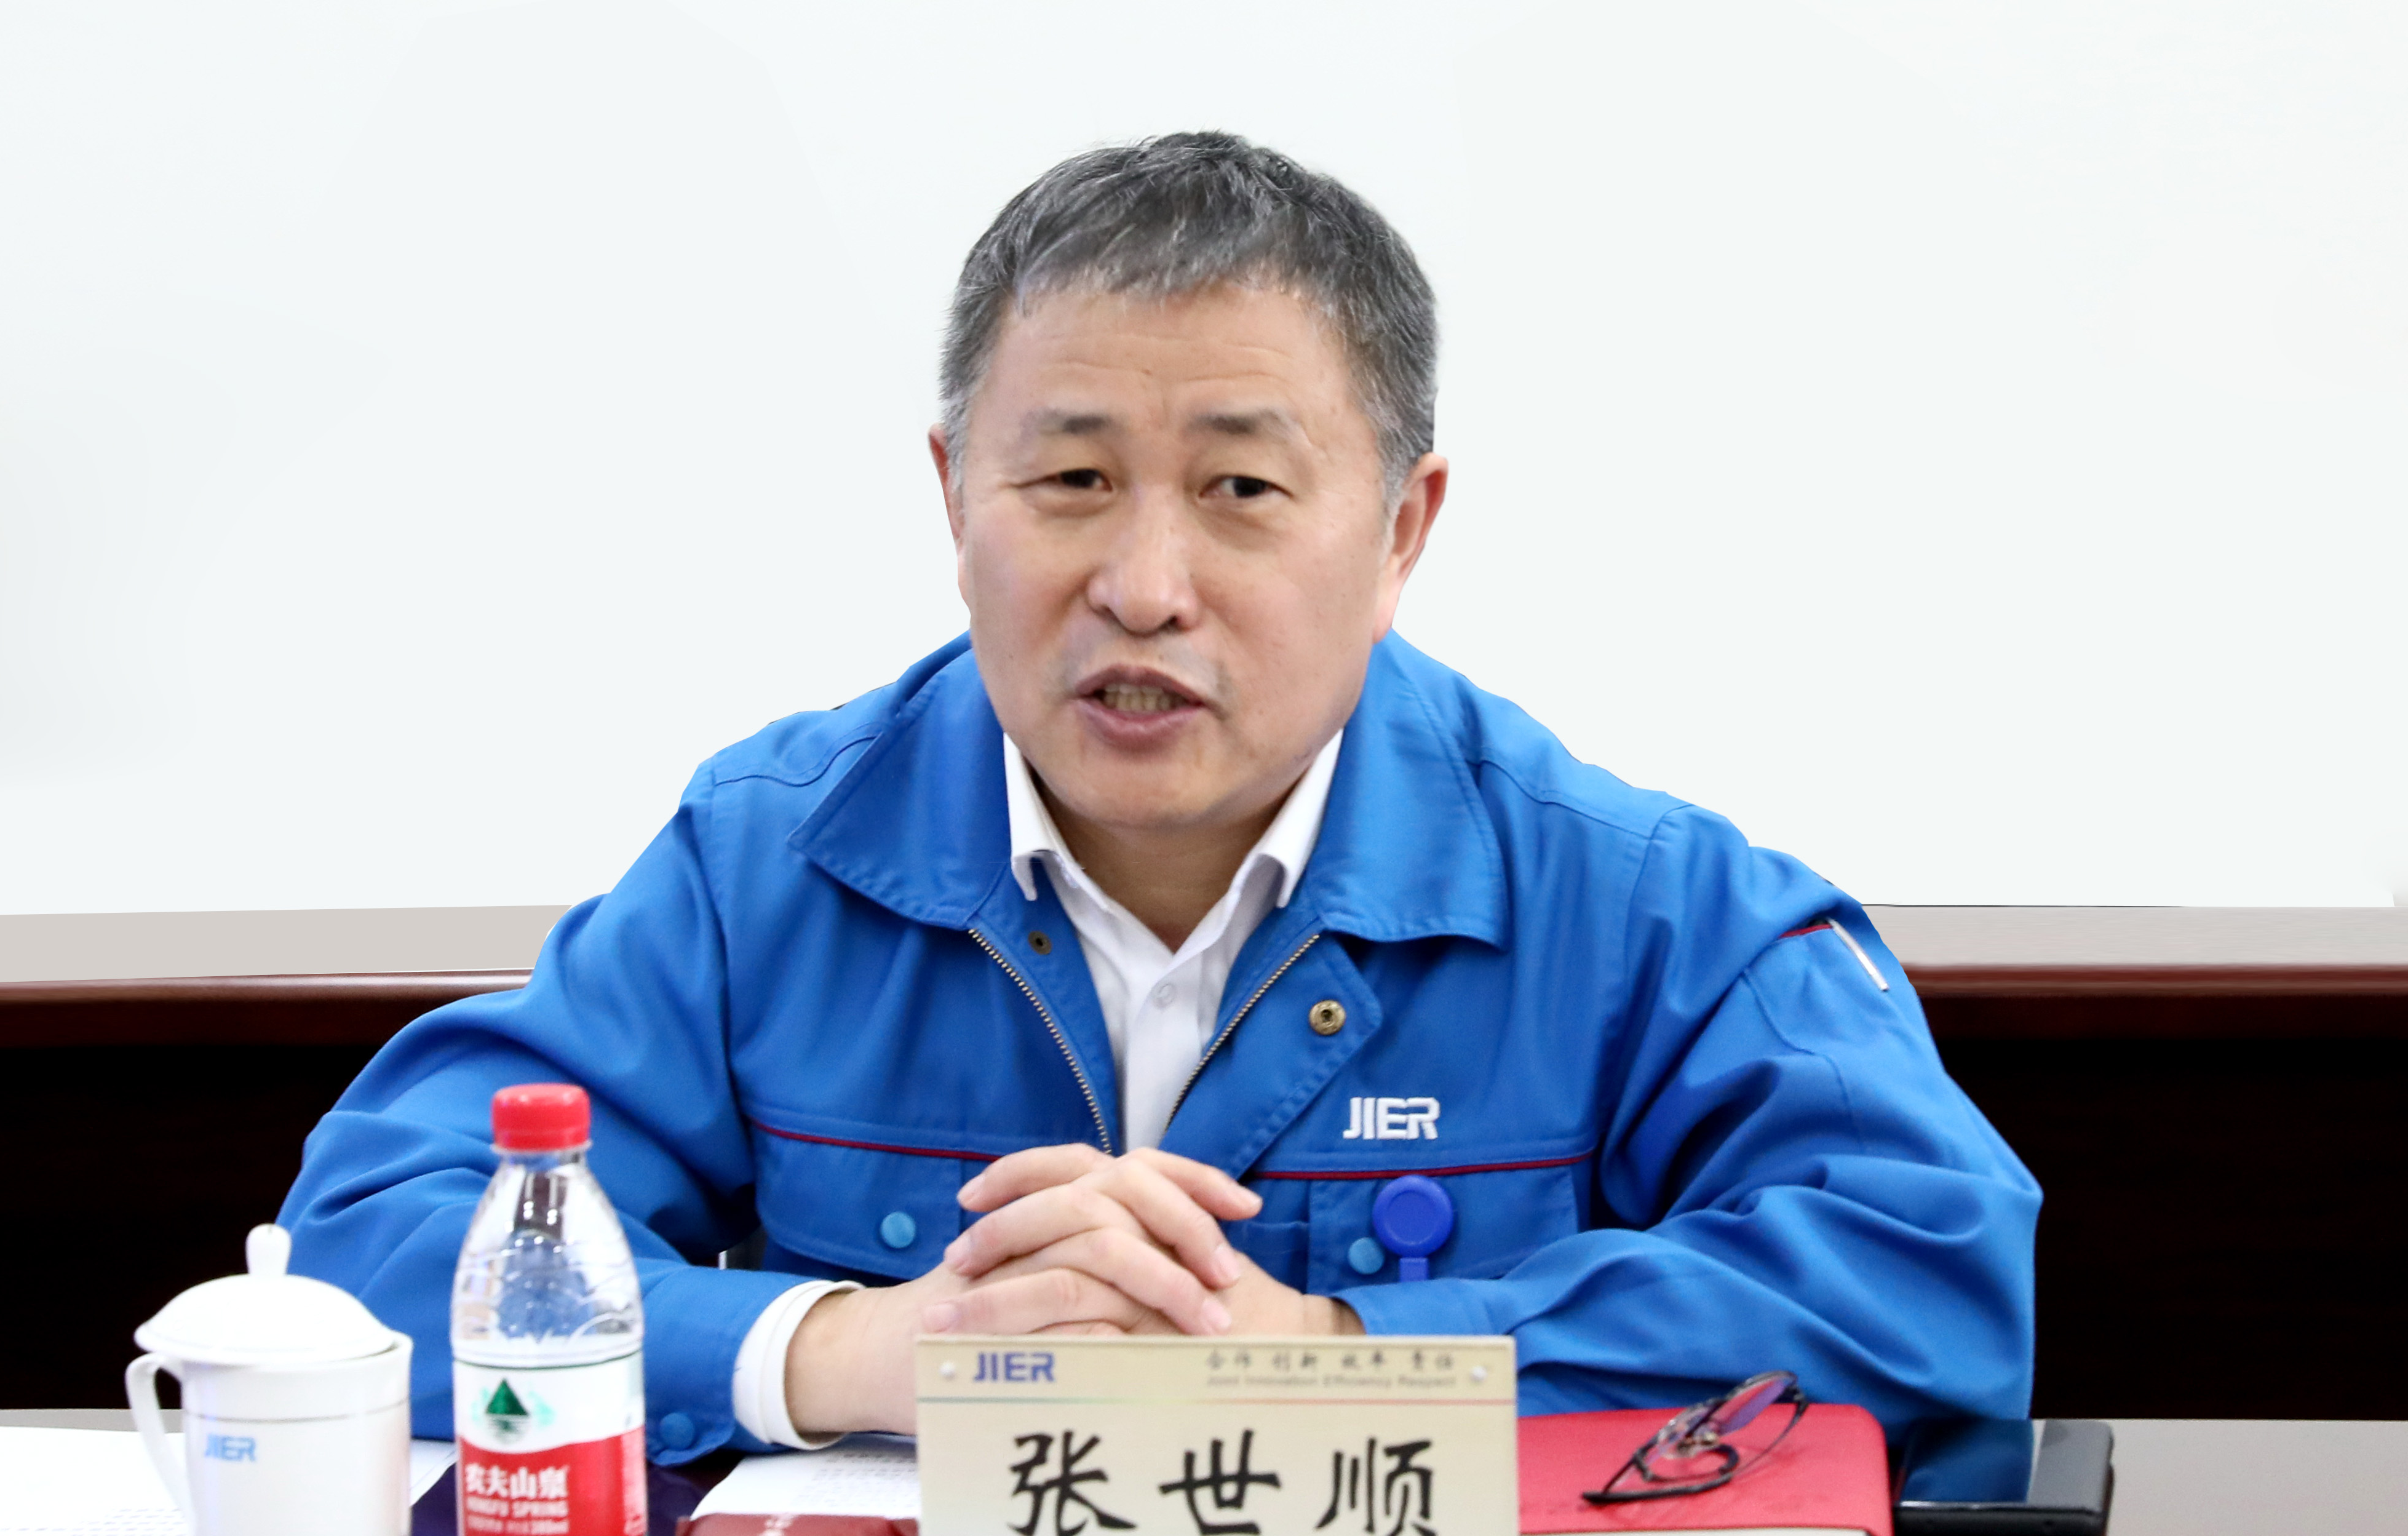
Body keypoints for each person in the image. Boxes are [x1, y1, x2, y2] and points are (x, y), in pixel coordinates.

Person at [280, 133, 2037, 1463]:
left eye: (1240, 489)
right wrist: (845, 1353)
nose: (1141, 586)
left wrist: (1337, 1362)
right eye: (1068, 478)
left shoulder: (1621, 895)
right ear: (952, 494)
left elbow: (1930, 1277)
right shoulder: (772, 860)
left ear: (1402, 530)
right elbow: (374, 1236)